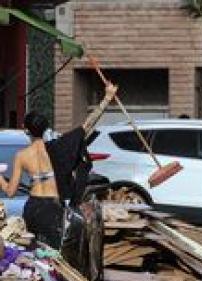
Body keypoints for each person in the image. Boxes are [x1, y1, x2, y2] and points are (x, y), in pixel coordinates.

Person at [0, 83, 118, 249]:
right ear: (45, 129)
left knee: (34, 252)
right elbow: (87, 125)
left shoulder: (22, 156)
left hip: (33, 206)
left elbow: (11, 192)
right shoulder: (59, 147)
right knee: (54, 252)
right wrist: (107, 98)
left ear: (26, 130)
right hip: (53, 206)